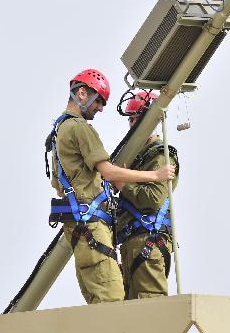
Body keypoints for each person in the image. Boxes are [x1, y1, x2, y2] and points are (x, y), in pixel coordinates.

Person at [47, 69, 175, 304]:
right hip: (92, 228)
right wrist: (154, 175)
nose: (100, 108)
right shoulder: (79, 127)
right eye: (99, 101)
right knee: (114, 303)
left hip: (82, 229)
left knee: (108, 303)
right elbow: (108, 171)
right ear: (82, 93)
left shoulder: (57, 132)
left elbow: (59, 187)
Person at [115, 90, 179, 299]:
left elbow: (153, 198)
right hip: (132, 242)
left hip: (148, 242)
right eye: (130, 120)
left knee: (151, 307)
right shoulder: (137, 158)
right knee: (131, 312)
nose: (133, 124)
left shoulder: (160, 156)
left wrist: (123, 183)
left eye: (137, 119)